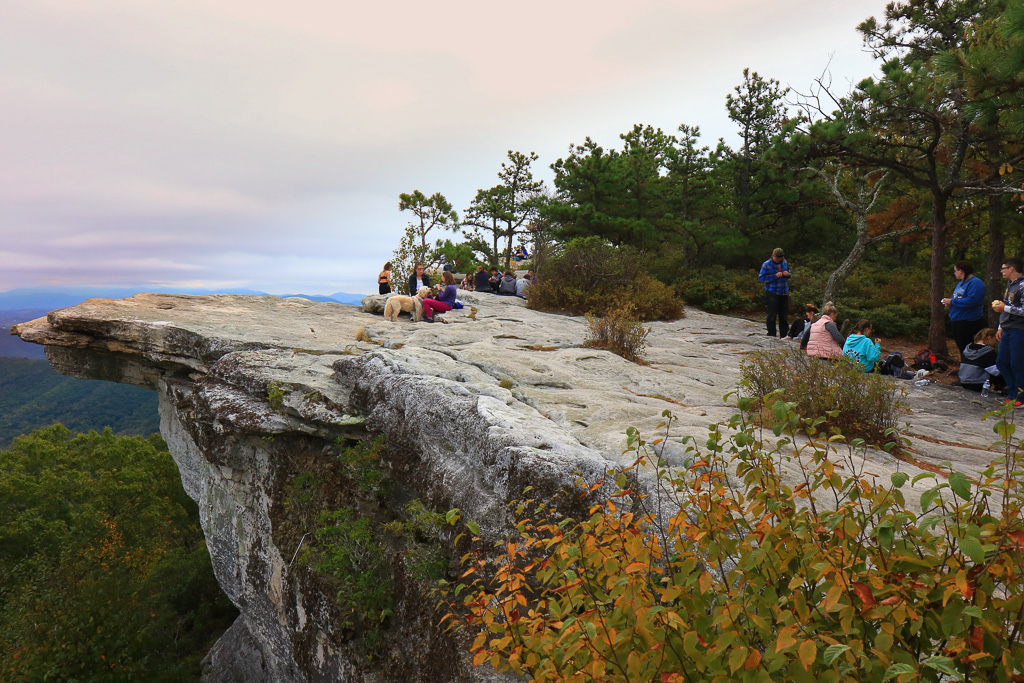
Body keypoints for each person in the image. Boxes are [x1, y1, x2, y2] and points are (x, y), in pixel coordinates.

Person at [941, 260, 986, 360]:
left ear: (961, 271)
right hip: (957, 320)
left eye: (955, 270)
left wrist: (952, 302)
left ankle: (971, 369)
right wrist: (950, 304)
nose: (954, 273)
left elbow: (973, 300)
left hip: (968, 321)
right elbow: (958, 300)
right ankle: (965, 368)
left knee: (969, 348)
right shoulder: (961, 284)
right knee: (962, 348)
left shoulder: (975, 283)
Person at [994, 257, 1024, 403]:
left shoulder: (1023, 285)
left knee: (1017, 363)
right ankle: (1012, 393)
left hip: (1019, 329)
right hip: (1007, 328)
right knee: (1002, 362)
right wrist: (1000, 326)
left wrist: (1004, 308)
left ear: (1011, 269)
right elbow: (1006, 305)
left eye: (1003, 268)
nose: (1001, 271)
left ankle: (1020, 396)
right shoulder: (1010, 285)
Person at [758, 247, 791, 337]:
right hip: (772, 292)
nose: (779, 260)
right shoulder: (766, 264)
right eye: (777, 258)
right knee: (772, 314)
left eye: (781, 258)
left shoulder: (784, 262)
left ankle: (784, 335)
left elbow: (789, 273)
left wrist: (787, 274)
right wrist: (775, 276)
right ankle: (771, 334)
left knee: (783, 316)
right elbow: (761, 278)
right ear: (773, 256)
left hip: (783, 292)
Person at [959, 328, 1002, 392]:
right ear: (989, 338)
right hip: (979, 384)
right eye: (994, 339)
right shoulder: (988, 351)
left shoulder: (967, 349)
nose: (994, 342)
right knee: (1000, 370)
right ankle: (1003, 387)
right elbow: (994, 371)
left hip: (964, 381)